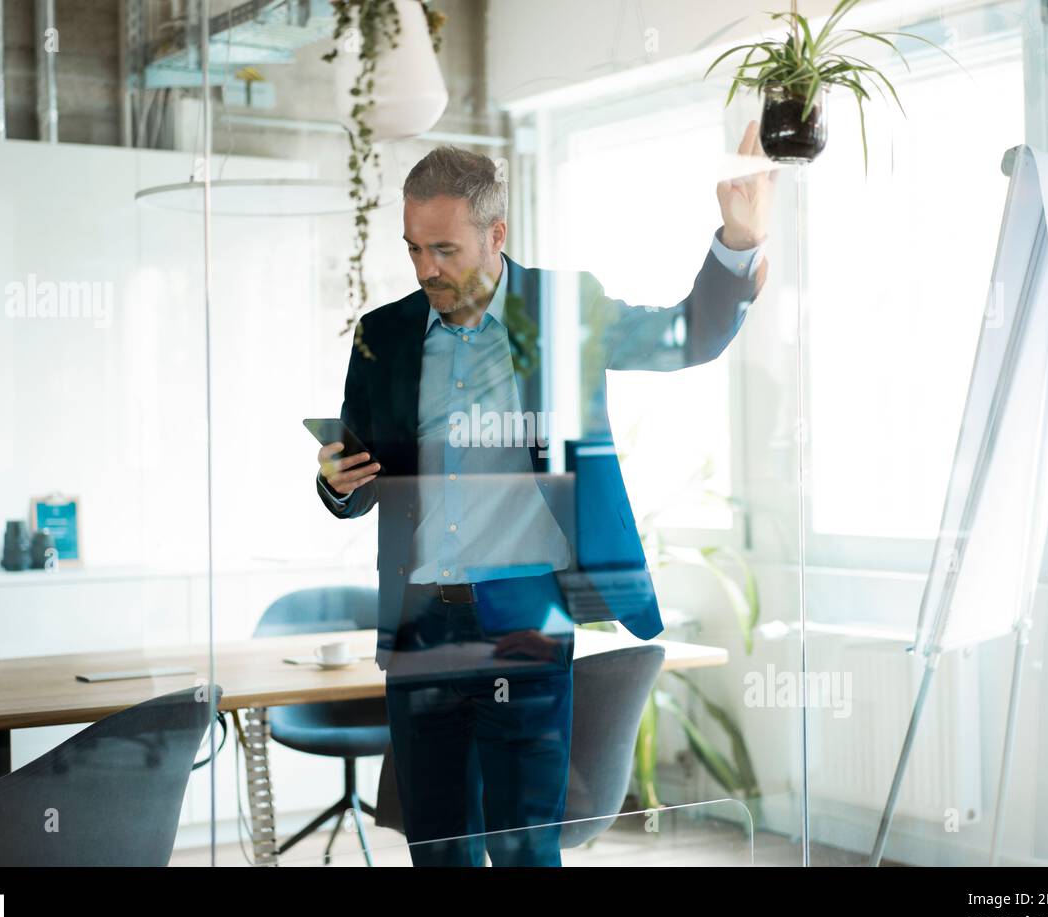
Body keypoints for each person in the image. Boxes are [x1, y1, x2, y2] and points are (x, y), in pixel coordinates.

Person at [316, 121, 776, 866]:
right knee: (438, 848)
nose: (425, 267)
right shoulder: (384, 334)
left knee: (527, 847)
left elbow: (687, 335)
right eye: (412, 246)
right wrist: (334, 483)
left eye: (445, 249)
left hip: (525, 620)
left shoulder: (565, 309)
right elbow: (356, 470)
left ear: (496, 233)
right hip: (422, 627)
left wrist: (738, 239)